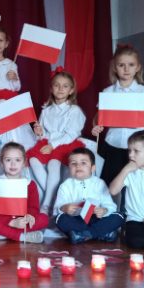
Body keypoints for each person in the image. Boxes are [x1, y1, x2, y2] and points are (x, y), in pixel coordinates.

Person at [91, 45, 144, 185]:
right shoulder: (108, 92)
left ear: (137, 67)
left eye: (131, 65)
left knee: (135, 183)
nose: (126, 69)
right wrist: (96, 127)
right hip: (112, 145)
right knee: (110, 182)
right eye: (121, 65)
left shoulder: (143, 91)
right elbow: (97, 119)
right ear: (115, 67)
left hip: (137, 147)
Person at [26, 69, 86, 214]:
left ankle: (47, 204)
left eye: (65, 86)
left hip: (64, 143)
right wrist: (39, 132)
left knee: (53, 163)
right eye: (57, 85)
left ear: (71, 90)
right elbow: (43, 134)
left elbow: (71, 134)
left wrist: (52, 146)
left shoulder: (74, 110)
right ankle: (54, 196)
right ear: (51, 88)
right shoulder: (46, 110)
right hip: (48, 142)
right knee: (32, 159)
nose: (60, 89)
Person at [0, 142, 48, 243]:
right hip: (4, 220)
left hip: (22, 220)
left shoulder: (30, 184)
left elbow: (33, 207)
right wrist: (11, 222)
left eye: (17, 160)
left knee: (44, 218)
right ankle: (22, 236)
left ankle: (1, 234)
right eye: (8, 160)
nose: (13, 164)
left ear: (24, 163)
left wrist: (29, 216)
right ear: (2, 163)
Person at [53, 148, 123, 244]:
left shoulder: (99, 183)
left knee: (119, 216)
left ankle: (83, 235)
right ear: (69, 167)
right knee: (60, 219)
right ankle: (102, 234)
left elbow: (110, 205)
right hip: (77, 220)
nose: (78, 166)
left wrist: (104, 210)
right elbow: (57, 208)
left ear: (93, 168)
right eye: (73, 163)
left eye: (83, 163)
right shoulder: (65, 186)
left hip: (97, 219)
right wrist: (65, 208)